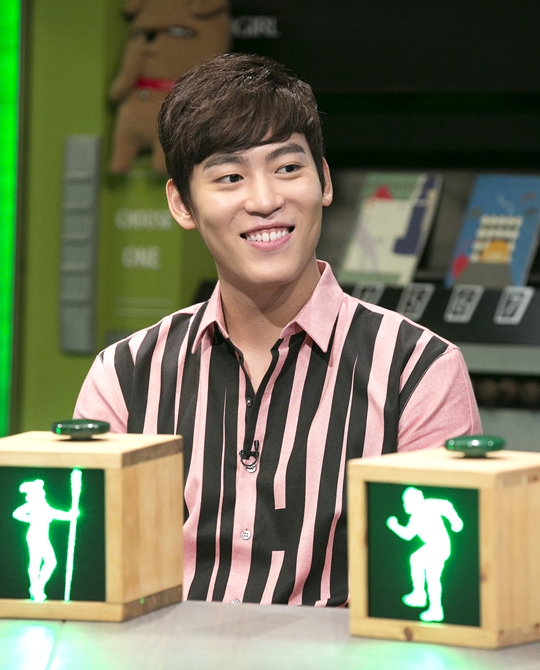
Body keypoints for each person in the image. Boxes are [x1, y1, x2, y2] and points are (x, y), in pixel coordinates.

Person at [74, 53, 481, 607]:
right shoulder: (125, 376)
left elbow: (442, 599)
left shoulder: (419, 371)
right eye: (230, 177)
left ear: (324, 181)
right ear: (182, 204)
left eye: (288, 168)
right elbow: (86, 578)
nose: (265, 201)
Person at [386, 487, 464, 623]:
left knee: (431, 576)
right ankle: (420, 596)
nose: (404, 505)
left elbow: (446, 505)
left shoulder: (429, 505)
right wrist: (394, 526)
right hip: (433, 546)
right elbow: (408, 534)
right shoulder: (415, 517)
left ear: (414, 501)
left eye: (406, 502)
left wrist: (455, 521)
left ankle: (434, 608)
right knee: (416, 560)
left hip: (439, 546)